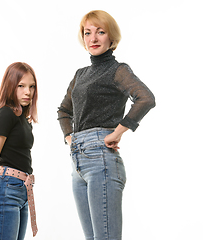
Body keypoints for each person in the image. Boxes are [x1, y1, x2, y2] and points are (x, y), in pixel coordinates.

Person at [57, 10, 156, 240]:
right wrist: (71, 140)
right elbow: (63, 111)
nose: (93, 38)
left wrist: (118, 131)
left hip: (101, 158)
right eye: (87, 33)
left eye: (100, 32)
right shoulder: (80, 75)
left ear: (111, 38)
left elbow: (146, 98)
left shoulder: (118, 70)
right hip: (78, 162)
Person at [0, 62, 39, 239]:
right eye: (21, 86)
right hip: (7, 190)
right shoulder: (5, 114)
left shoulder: (24, 119)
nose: (27, 92)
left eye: (31, 86)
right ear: (10, 86)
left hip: (22, 191)